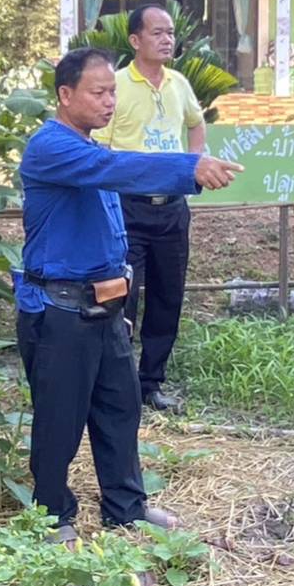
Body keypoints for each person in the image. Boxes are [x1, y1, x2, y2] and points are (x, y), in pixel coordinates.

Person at [17, 47, 241, 544]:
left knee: (120, 409)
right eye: (98, 92)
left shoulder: (89, 148)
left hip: (104, 306)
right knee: (59, 420)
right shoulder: (53, 147)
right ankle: (53, 516)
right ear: (65, 94)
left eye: (112, 92)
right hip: (60, 309)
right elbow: (114, 168)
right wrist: (190, 167)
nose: (109, 101)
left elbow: (111, 176)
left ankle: (126, 507)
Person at [94, 4, 206, 412]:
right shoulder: (117, 86)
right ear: (135, 40)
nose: (166, 40)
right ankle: (118, 386)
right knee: (124, 296)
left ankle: (151, 384)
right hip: (129, 209)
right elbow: (100, 145)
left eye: (170, 33)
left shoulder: (179, 83)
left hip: (172, 209)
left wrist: (193, 164)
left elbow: (196, 122)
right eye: (157, 33)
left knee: (168, 297)